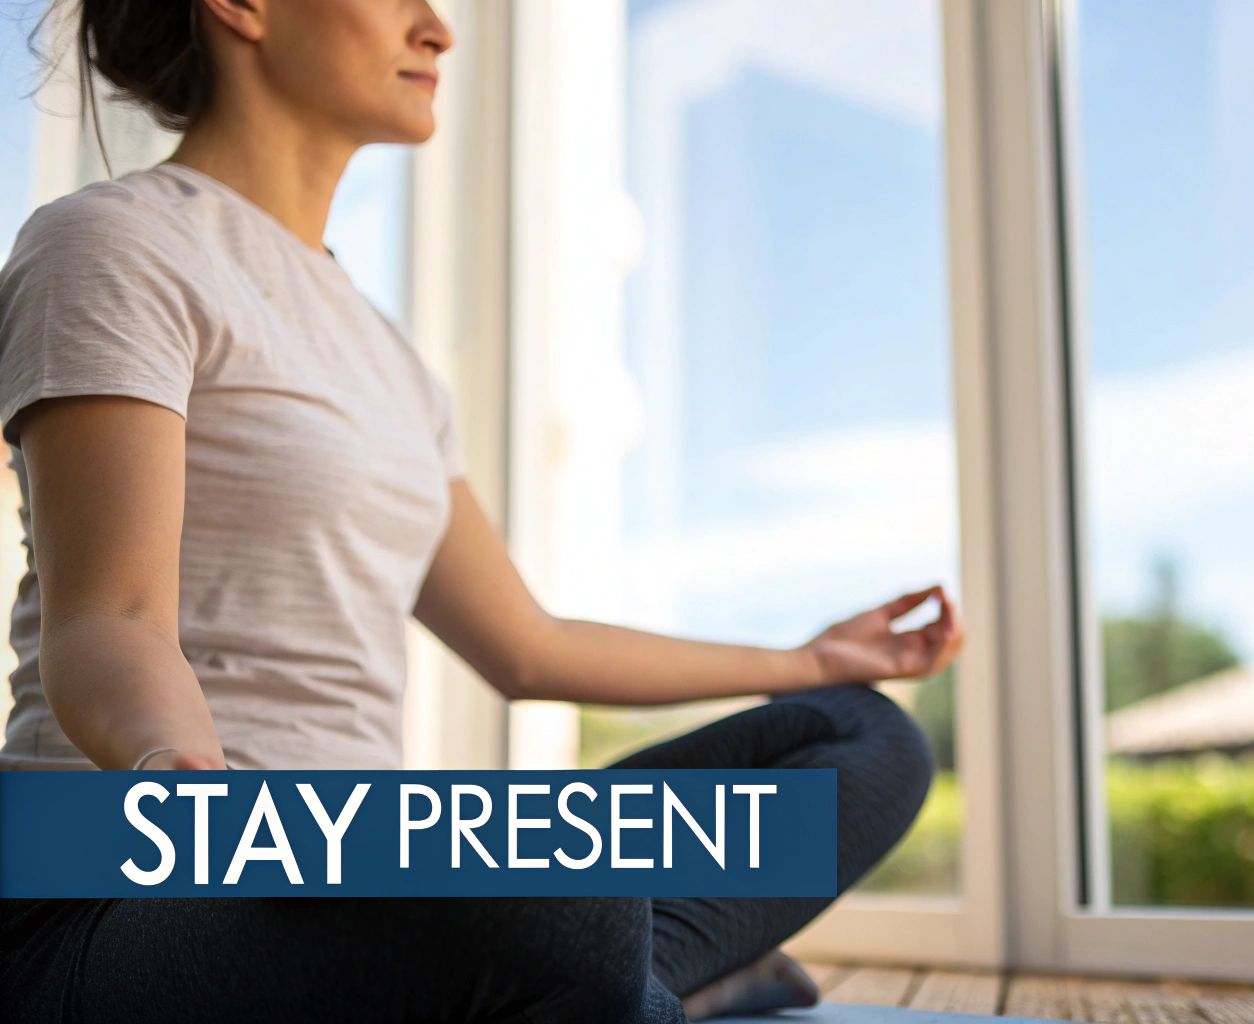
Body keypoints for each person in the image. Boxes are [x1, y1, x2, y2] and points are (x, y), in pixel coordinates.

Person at [0, 0, 963, 1020]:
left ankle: (620, 983)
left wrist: (810, 664)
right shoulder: (111, 243)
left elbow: (527, 645)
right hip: (122, 887)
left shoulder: (389, 358)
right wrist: (187, 786)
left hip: (359, 869)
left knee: (862, 738)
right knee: (550, 904)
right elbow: (110, 617)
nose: (437, 29)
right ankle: (651, 979)